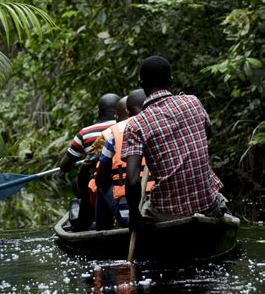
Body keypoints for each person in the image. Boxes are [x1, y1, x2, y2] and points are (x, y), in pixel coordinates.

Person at [122, 56, 227, 231]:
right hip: (207, 205)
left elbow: (132, 181)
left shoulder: (136, 124)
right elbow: (207, 133)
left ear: (142, 82)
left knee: (144, 209)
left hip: (167, 212)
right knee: (219, 197)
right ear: (171, 80)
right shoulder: (193, 102)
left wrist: (134, 216)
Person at [60, 92, 120, 231]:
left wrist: (78, 163)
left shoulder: (85, 133)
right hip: (122, 179)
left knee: (79, 181)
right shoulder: (129, 127)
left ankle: (86, 217)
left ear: (99, 112)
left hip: (98, 182)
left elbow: (64, 166)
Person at [95, 89, 153, 229]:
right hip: (164, 207)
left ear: (127, 111)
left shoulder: (113, 131)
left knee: (100, 186)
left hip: (131, 215)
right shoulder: (163, 123)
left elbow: (101, 179)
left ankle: (102, 232)